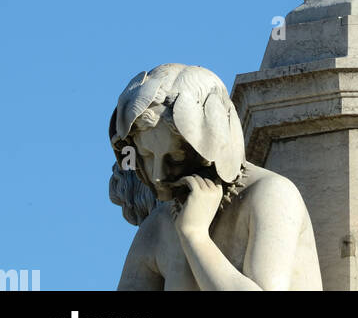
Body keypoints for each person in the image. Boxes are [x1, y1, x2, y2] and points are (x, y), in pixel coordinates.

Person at [111, 64, 322, 291]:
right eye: (147, 155)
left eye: (177, 158)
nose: (158, 174)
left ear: (207, 149)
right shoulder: (158, 227)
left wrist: (195, 236)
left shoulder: (272, 195)